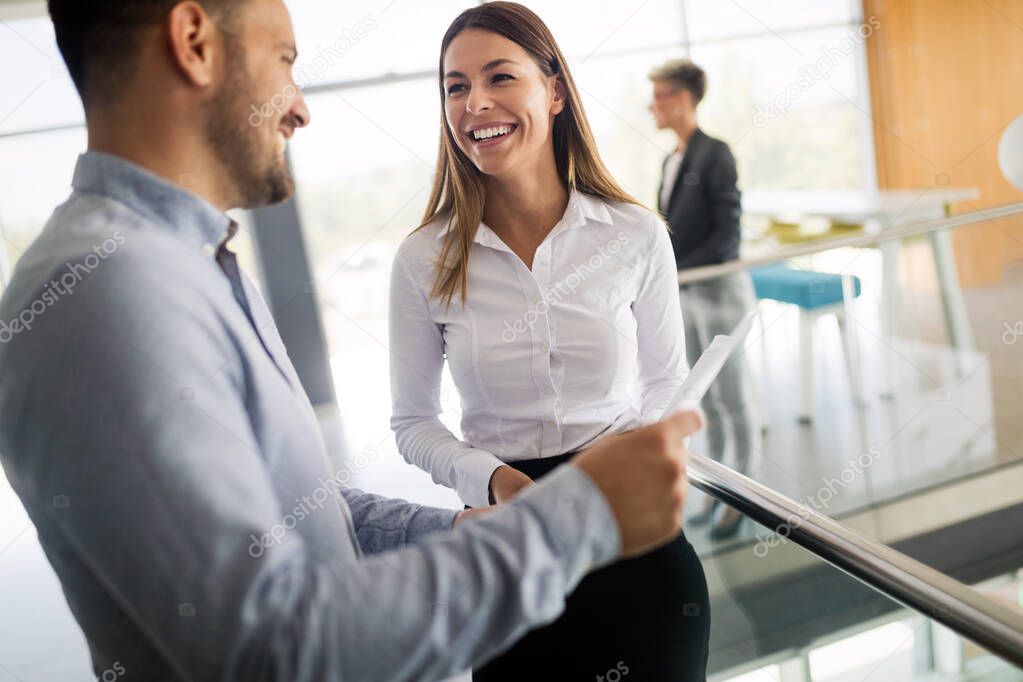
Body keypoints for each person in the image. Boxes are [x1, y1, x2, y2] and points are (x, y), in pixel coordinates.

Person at [0, 1, 705, 680]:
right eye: (284, 59)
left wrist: (453, 532)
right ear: (193, 41)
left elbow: (304, 512)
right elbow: (265, 654)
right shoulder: (106, 293)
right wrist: (572, 519)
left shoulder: (192, 267)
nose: (300, 106)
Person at [389, 4, 710, 679]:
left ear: (555, 91)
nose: (474, 103)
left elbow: (665, 384)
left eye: (499, 77)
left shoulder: (634, 233)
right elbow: (413, 423)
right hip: (507, 551)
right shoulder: (423, 259)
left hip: (634, 539)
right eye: (455, 86)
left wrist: (633, 454)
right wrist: (497, 482)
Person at [649, 58, 760, 540]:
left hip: (720, 294)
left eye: (657, 95)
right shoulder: (670, 159)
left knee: (734, 400)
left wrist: (677, 271)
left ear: (679, 99)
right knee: (707, 401)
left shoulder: (716, 153)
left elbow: (727, 237)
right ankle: (720, 495)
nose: (650, 105)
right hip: (689, 296)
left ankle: (746, 502)